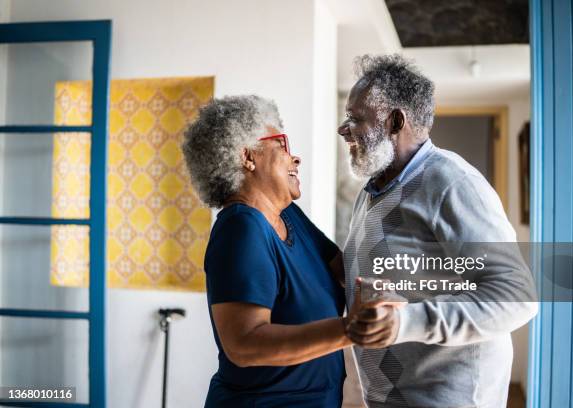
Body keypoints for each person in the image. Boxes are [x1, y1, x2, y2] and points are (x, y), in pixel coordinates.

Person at [337, 54, 538, 408]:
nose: (343, 130)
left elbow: (518, 295)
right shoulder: (374, 190)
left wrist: (407, 321)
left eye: (355, 120)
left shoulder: (451, 182)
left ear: (395, 121)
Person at [182, 95, 356, 407]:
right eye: (281, 144)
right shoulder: (241, 227)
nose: (295, 158)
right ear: (247, 156)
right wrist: (351, 330)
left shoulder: (288, 214)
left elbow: (342, 269)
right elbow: (245, 344)